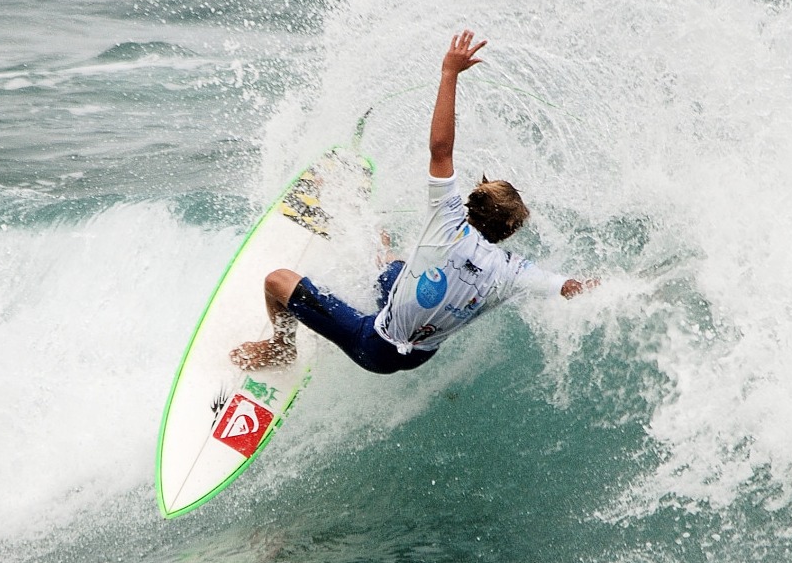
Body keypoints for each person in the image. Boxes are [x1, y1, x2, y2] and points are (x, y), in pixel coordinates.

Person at [230, 29, 593, 376]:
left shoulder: (448, 221)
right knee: (393, 266)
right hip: (419, 354)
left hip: (372, 344)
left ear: (471, 202)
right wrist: (627, 291)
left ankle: (281, 348)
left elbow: (440, 149)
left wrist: (449, 71)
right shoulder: (512, 270)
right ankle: (381, 254)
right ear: (509, 231)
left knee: (276, 281)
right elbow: (568, 287)